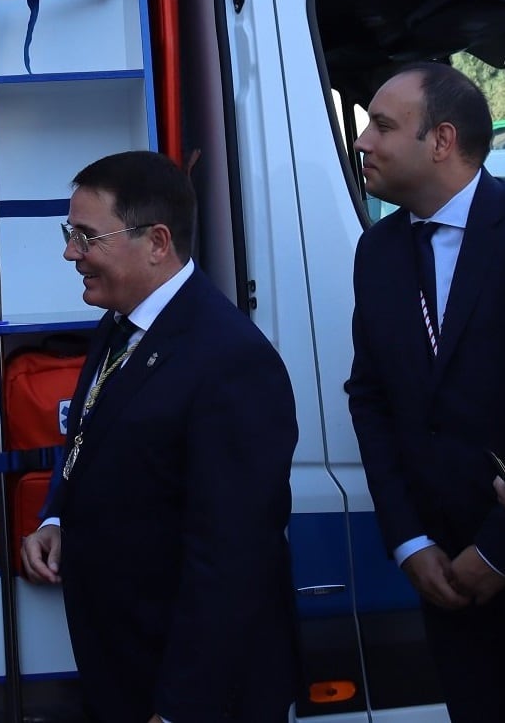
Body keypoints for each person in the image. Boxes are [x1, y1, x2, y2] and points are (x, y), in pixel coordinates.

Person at [345, 62, 505, 722]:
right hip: (440, 578)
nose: (362, 141)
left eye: (382, 125)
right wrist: (409, 542)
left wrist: (497, 550)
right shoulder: (377, 251)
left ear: (441, 139)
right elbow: (369, 396)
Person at [20, 150, 298, 723]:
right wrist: (55, 519)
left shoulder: (231, 361)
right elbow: (89, 439)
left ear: (157, 242)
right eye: (70, 233)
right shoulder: (121, 324)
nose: (70, 252)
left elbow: (230, 559)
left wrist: (181, 709)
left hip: (190, 690)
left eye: (86, 237)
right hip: (124, 665)